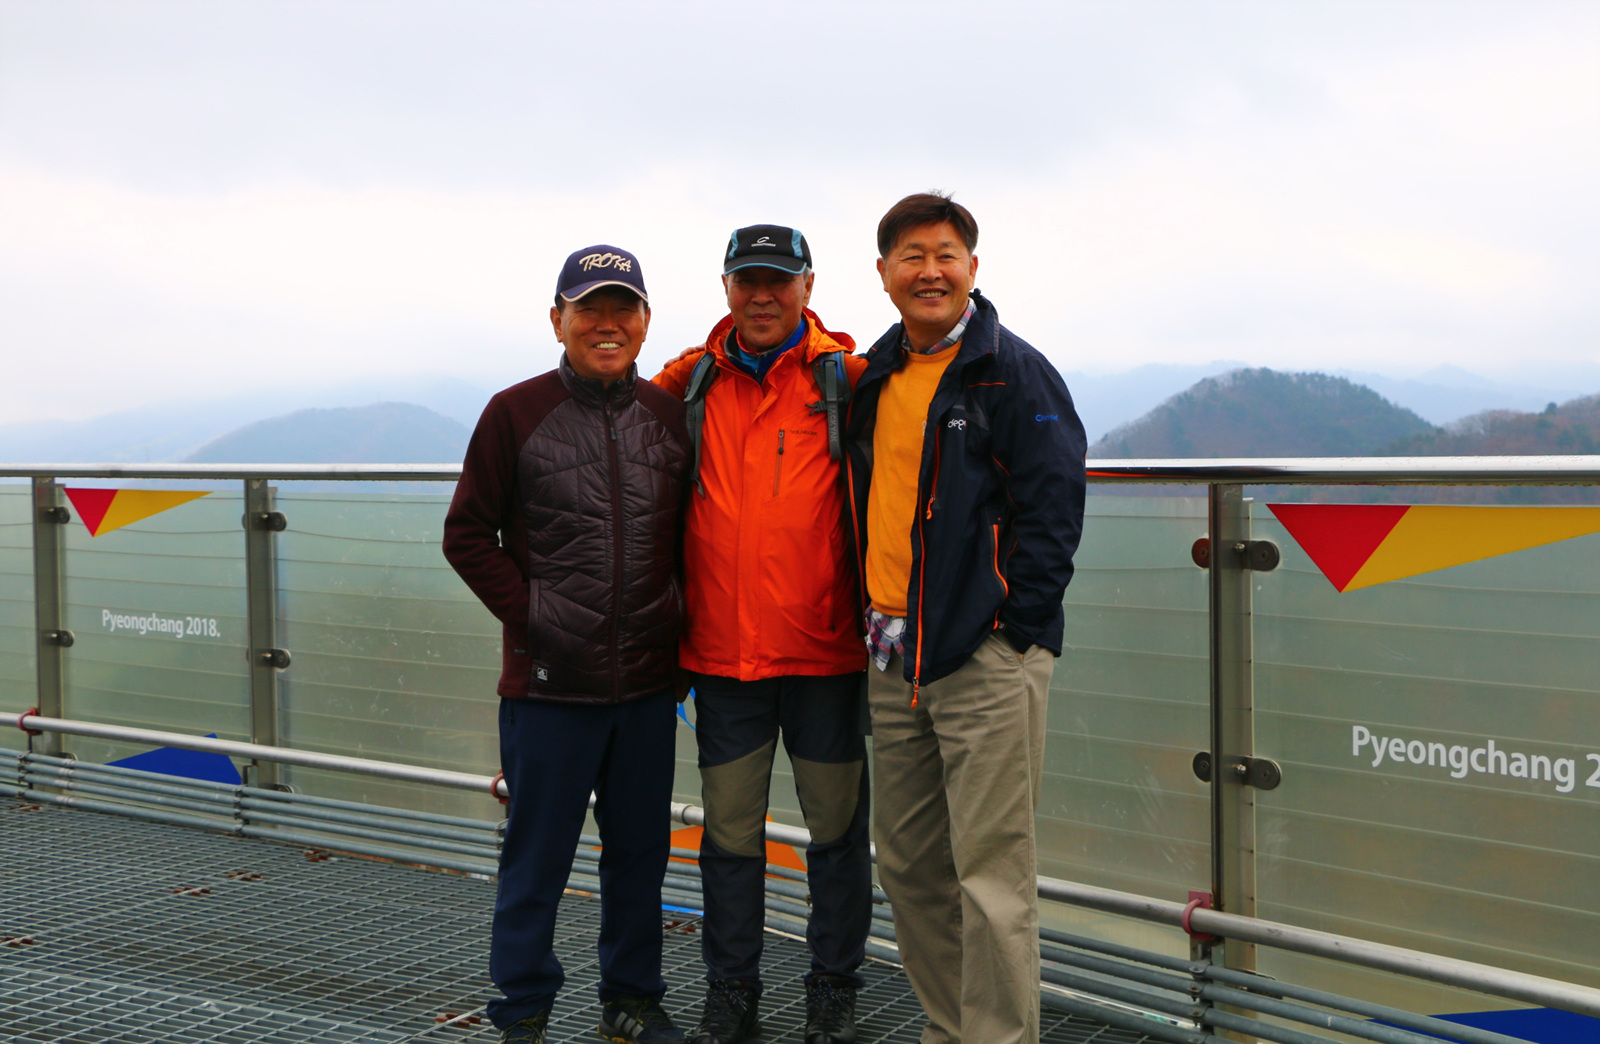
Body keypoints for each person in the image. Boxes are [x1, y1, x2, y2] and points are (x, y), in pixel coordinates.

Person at [843, 194, 1087, 1044]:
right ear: (883, 274)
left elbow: (1054, 510)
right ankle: (953, 1031)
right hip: (893, 652)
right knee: (910, 869)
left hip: (983, 657)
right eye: (911, 256)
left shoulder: (1013, 373)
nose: (930, 271)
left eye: (946, 254)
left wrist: (1011, 628)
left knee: (991, 879)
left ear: (973, 269)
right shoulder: (877, 374)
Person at [444, 244, 691, 1044]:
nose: (606, 324)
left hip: (648, 684)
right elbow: (466, 534)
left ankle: (632, 999)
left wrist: (678, 622)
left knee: (640, 857)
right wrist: (538, 617)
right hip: (549, 685)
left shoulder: (668, 417)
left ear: (646, 323)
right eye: (589, 309)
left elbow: (690, 540)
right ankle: (522, 1009)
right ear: (558, 320)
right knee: (536, 858)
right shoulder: (514, 412)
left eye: (623, 308)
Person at [653, 225, 871, 1044]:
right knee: (729, 839)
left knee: (838, 837)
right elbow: (609, 413)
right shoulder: (690, 382)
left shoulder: (847, 380)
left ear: (809, 287)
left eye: (779, 280)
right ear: (725, 287)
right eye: (748, 280)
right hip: (723, 659)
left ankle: (833, 992)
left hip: (826, 656)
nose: (763, 295)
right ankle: (731, 994)